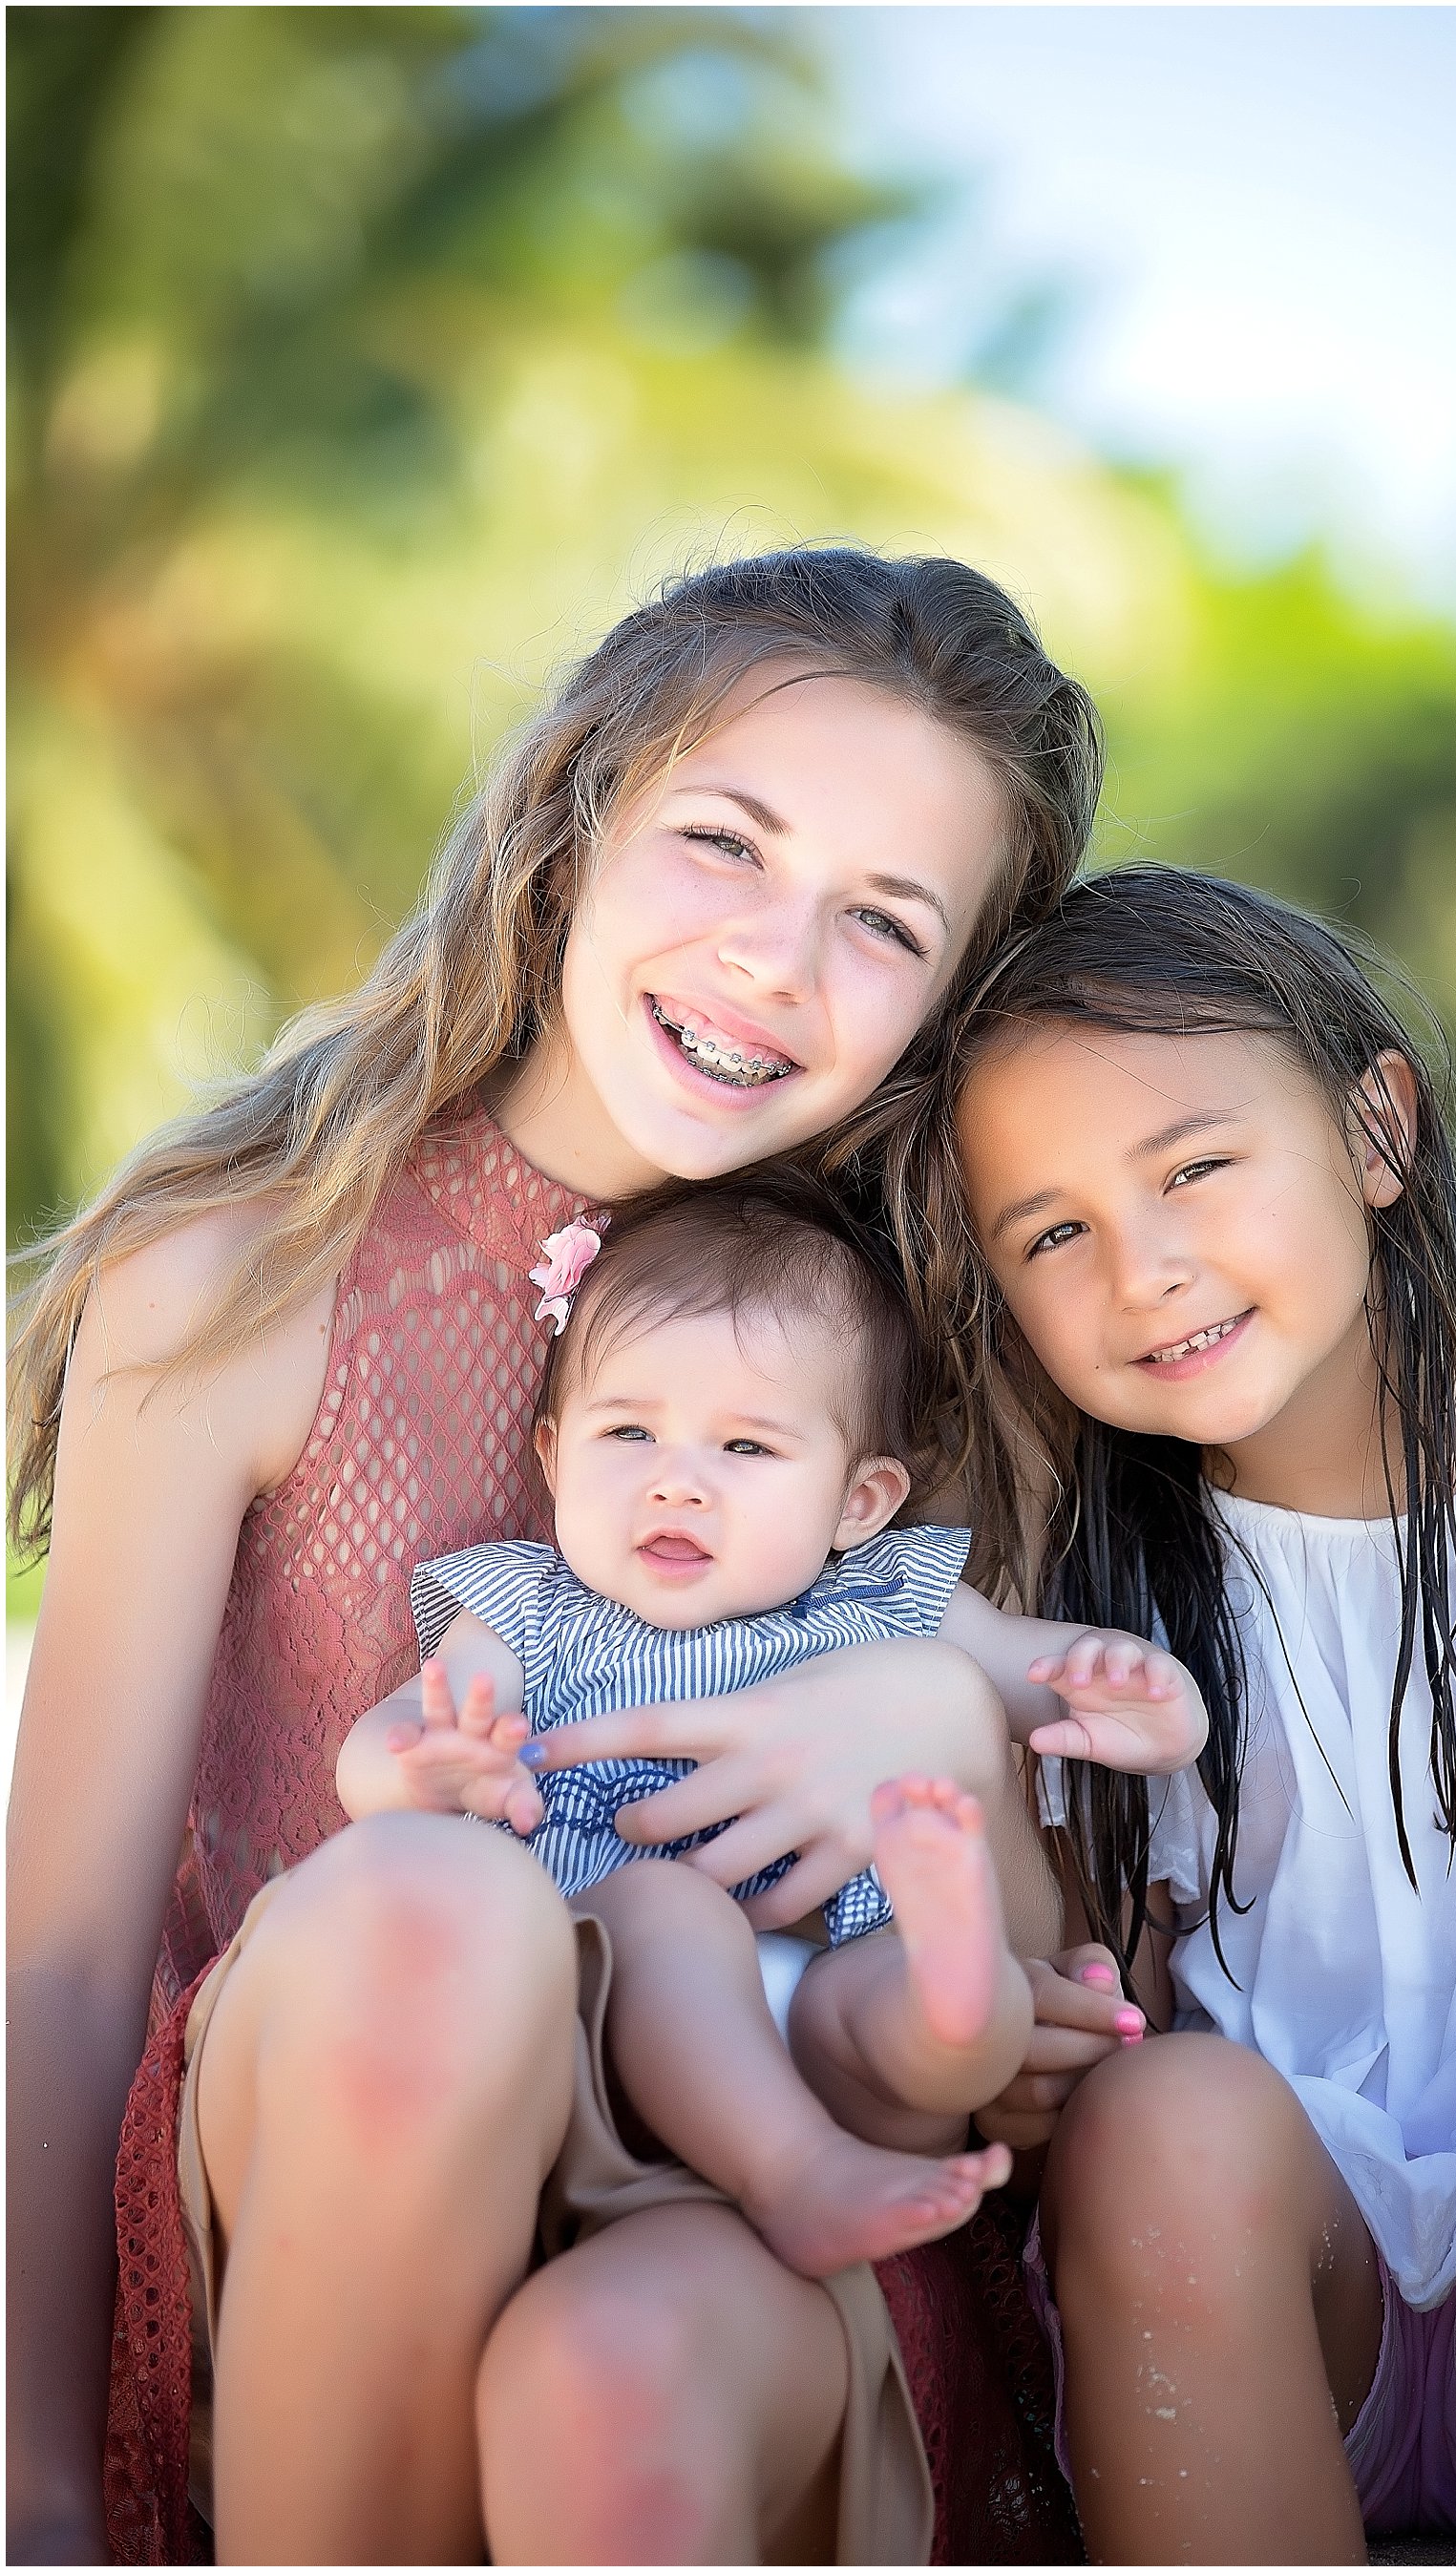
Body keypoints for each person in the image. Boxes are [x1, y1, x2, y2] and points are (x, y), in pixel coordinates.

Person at [6, 547, 1113, 2566]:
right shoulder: (239, 1285)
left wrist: (932, 1703)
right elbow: (63, 1963)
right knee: (431, 1901)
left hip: (741, 2225)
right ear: (577, 814)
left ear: (949, 1009)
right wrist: (35, 2487)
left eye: (883, 922)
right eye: (723, 844)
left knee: (619, 2368)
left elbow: (1007, 2022)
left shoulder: (912, 1365)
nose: (773, 961)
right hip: (313, 2177)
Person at [920, 863, 1456, 2565]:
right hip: (1275, 2291)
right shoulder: (1072, 1584)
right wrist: (1032, 2039)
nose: (1146, 1269)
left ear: (1374, 1130)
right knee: (1157, 2118)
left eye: (1197, 1166)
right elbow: (1074, 1998)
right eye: (1055, 1231)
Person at [336, 1174, 1203, 2278]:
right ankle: (798, 2170)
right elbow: (385, 1744)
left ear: (859, 1503)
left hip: (830, 2001)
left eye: (745, 1450)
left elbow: (1049, 1676)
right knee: (660, 1908)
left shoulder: (889, 1592)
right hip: (612, 2041)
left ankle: (953, 1986)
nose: (678, 1486)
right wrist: (433, 1762)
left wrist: (1149, 1698)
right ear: (553, 1457)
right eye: (630, 1433)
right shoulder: (530, 1608)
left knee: (888, 1988)